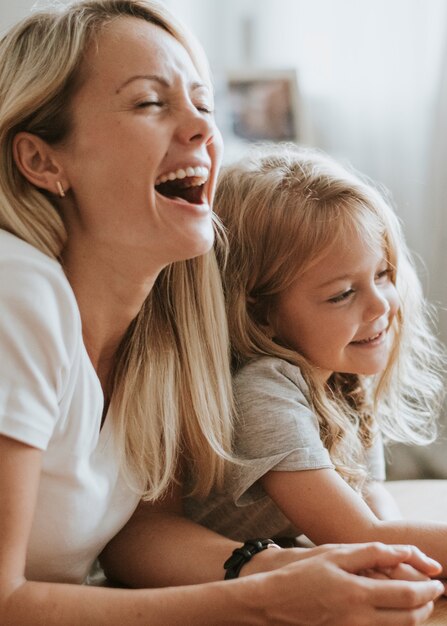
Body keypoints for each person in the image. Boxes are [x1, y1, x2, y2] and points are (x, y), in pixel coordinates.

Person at [0, 2, 443, 624]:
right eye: (151, 103)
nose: (202, 130)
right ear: (43, 160)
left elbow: (140, 531)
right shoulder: (18, 292)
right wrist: (261, 600)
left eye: (204, 105)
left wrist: (278, 567)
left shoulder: (160, 329)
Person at [185, 142, 447, 570]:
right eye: (343, 294)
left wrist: (403, 562)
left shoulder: (342, 377)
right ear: (259, 312)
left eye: (382, 274)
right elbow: (359, 535)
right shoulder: (263, 392)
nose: (381, 304)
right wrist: (395, 553)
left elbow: (371, 498)